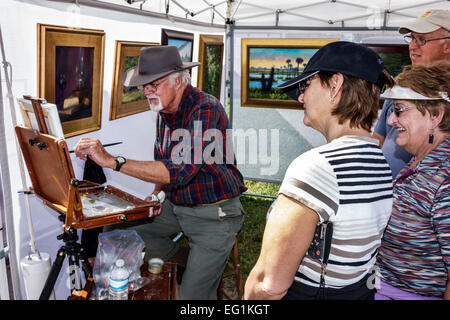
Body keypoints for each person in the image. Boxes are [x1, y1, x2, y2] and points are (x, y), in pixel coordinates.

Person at [74, 45, 247, 300]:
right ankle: (193, 260)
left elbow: (180, 172)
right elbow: (163, 164)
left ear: (179, 81)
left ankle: (203, 264)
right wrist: (156, 196)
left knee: (191, 297)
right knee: (115, 232)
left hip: (215, 213)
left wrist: (113, 161)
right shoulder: (163, 112)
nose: (147, 91)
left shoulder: (206, 108)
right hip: (177, 205)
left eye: (154, 83)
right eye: (144, 85)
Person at [244, 41, 394, 300]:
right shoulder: (377, 160)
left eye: (306, 85)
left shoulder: (318, 167)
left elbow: (269, 285)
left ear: (335, 85)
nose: (301, 96)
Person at [375, 62, 450, 300]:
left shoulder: (444, 180)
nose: (390, 121)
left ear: (436, 115)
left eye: (400, 110)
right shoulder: (419, 161)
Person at [373, 9, 450, 178]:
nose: (412, 46)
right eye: (412, 38)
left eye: (421, 39)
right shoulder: (401, 89)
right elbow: (377, 141)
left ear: (448, 45)